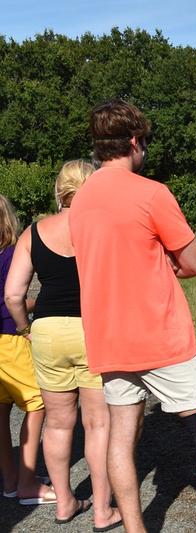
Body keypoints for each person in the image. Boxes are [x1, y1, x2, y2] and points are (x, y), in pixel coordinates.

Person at [68, 99, 196, 533]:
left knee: (121, 438)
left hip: (107, 339)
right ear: (134, 141)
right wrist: (166, 265)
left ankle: (134, 528)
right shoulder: (151, 192)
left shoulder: (82, 200)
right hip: (160, 337)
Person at [5, 161, 122, 529]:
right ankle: (103, 510)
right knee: (98, 423)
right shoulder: (106, 229)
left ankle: (64, 502)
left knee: (57, 423)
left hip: (48, 331)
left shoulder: (33, 232)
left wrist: (26, 329)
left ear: (60, 191)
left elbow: (13, 294)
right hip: (93, 329)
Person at [0, 195, 54, 505]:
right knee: (37, 402)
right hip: (9, 337)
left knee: (1, 409)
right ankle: (27, 481)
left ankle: (9, 480)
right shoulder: (9, 255)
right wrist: (37, 304)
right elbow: (12, 298)